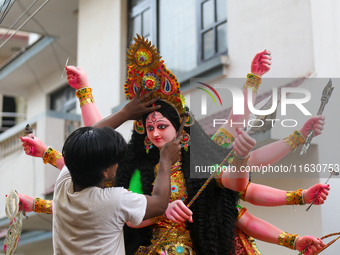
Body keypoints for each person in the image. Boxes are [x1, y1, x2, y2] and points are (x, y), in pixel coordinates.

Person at [19, 35, 327, 254]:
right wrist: (83, 93)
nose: (154, 134)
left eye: (162, 126)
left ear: (181, 128)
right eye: (148, 127)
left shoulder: (200, 158)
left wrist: (253, 80)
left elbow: (237, 176)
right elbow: (89, 154)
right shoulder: (128, 171)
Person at [52, 125, 181, 254]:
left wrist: (126, 112)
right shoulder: (114, 200)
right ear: (105, 172)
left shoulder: (63, 183)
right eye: (116, 161)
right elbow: (160, 204)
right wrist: (166, 160)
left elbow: (86, 141)